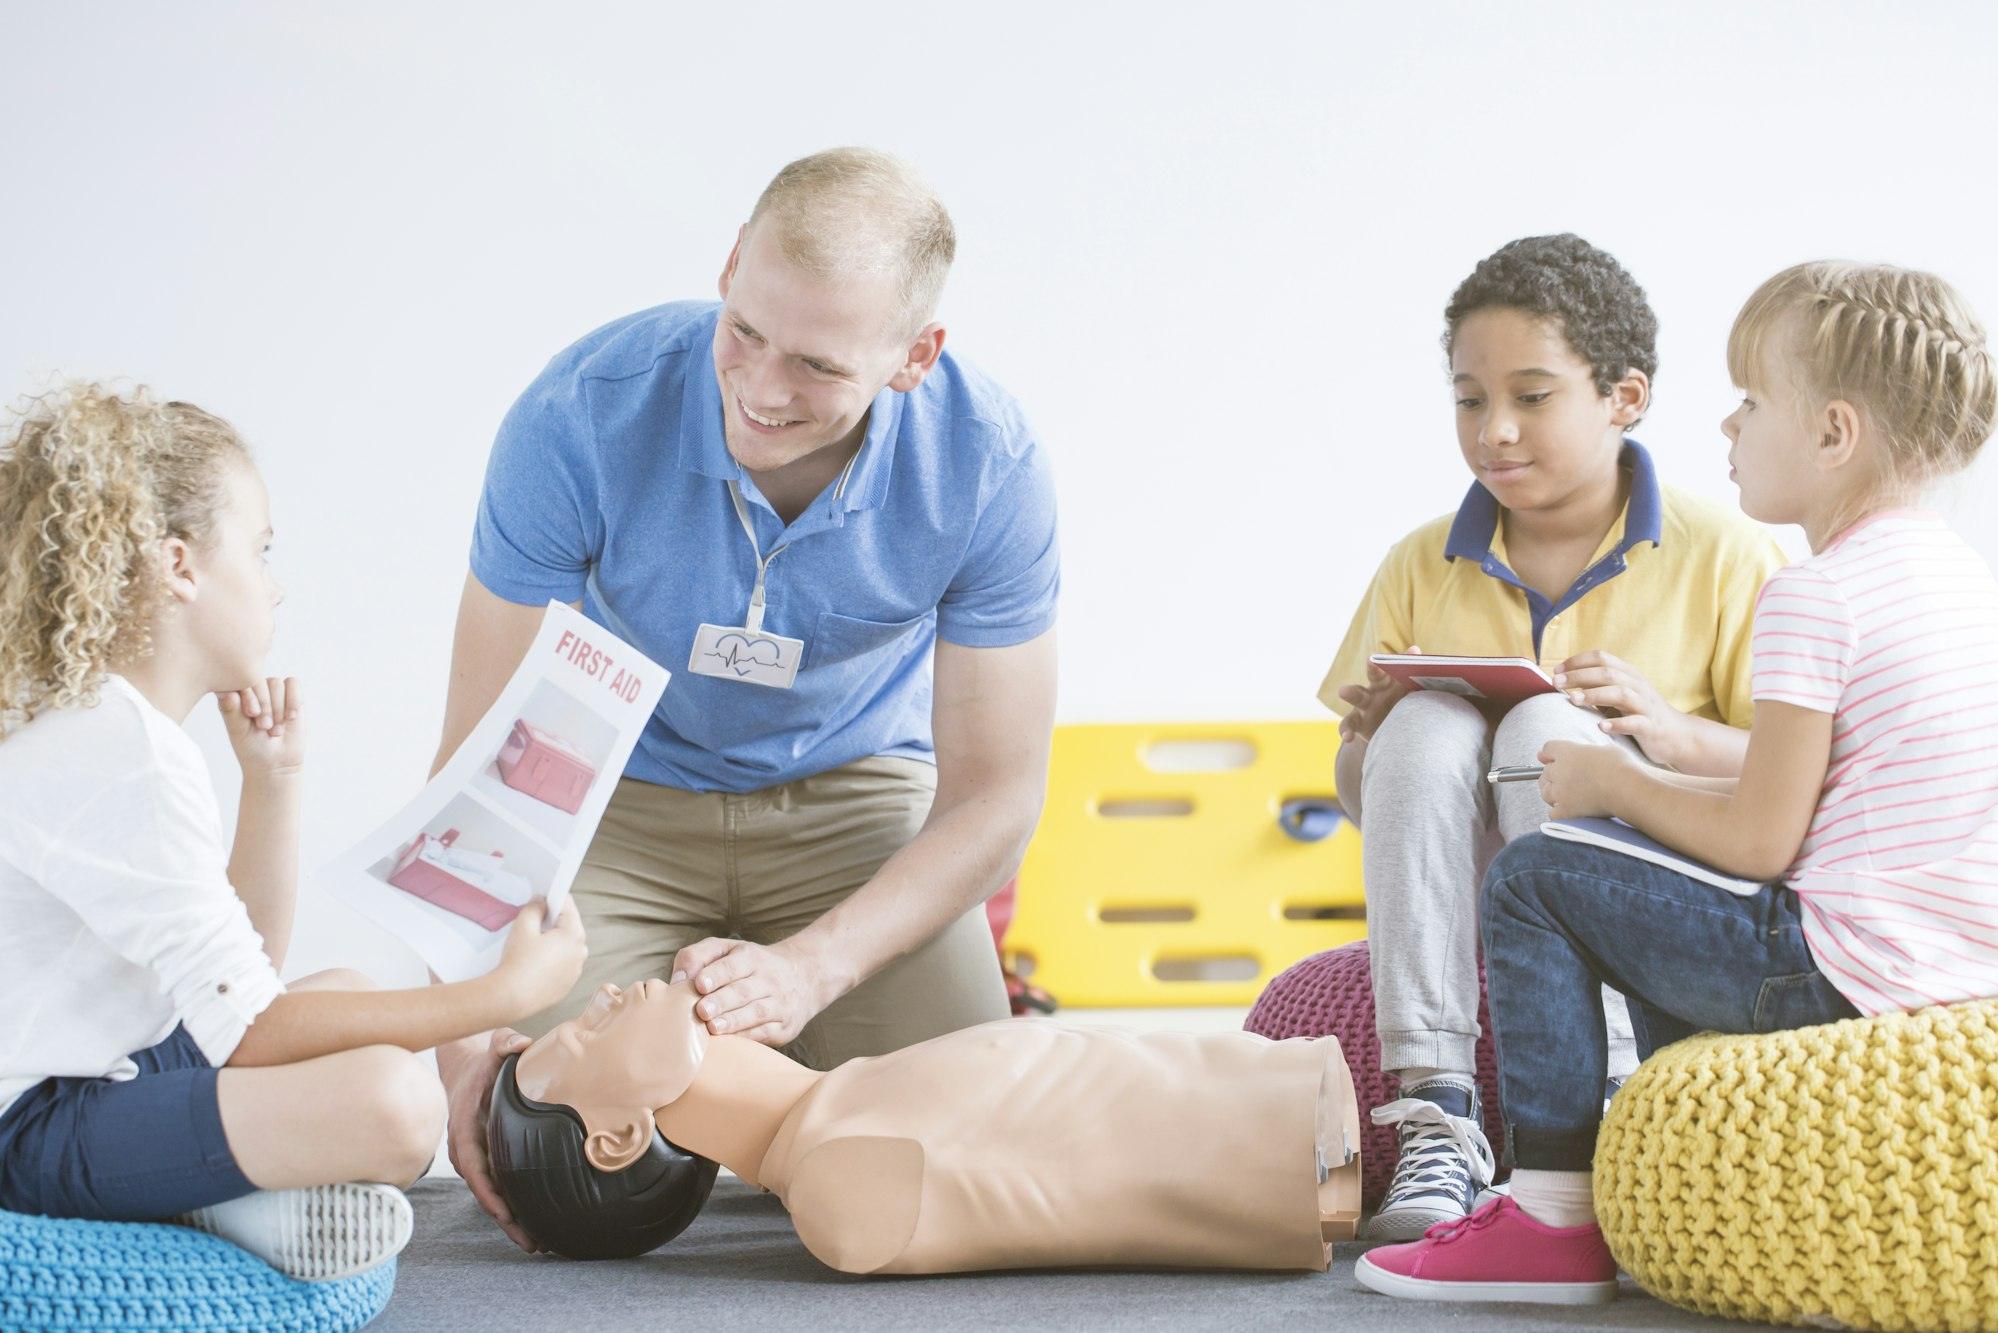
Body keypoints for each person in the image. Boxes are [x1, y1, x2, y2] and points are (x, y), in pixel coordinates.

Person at [432, 147, 1060, 1252]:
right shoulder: (577, 411)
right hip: (617, 796)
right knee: (537, 1155)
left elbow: (994, 800)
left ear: (915, 357)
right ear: (728, 268)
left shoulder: (988, 464)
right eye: (745, 332)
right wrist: (460, 1035)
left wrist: (811, 968)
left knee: (969, 1151)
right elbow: (478, 752)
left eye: (817, 364)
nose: (762, 390)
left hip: (854, 803)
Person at [1358, 260, 1998, 1304]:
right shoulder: (1953, 577)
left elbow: (1757, 844)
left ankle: (1551, 1213)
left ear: (1832, 435)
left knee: (1534, 875)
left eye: (1750, 402)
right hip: (1947, 966)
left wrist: (1613, 785)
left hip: (1834, 967)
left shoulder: (1813, 596)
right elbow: (1823, 773)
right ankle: (1626, 1140)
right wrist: (1666, 749)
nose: (1727, 428)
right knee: (1629, 873)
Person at [0, 384, 587, 1280]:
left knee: (349, 996)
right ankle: (216, 1204)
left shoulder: (116, 731)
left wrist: (272, 783)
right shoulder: (123, 755)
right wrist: (501, 998)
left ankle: (217, 1186)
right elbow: (257, 1034)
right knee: (396, 1101)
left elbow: (242, 995)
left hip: (103, 1068)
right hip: (30, 1124)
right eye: (262, 550)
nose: (276, 586)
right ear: (180, 567)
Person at [1319, 234, 1785, 1239]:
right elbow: (1362, 797)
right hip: (1465, 890)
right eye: (1467, 398)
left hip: (1651, 888)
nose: (1493, 431)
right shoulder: (1417, 561)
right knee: (1426, 725)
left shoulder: (1728, 555)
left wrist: (1657, 728)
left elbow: (1789, 771)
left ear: (1622, 397)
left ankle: (1604, 1091)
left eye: (1531, 397)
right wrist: (1373, 744)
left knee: (1545, 721)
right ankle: (1436, 1107)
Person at [487, 977, 1362, 1274]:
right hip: (1306, 1147)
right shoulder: (843, 1186)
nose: (601, 996)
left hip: (1304, 1095)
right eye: (586, 1032)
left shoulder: (847, 1109)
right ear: (617, 1139)